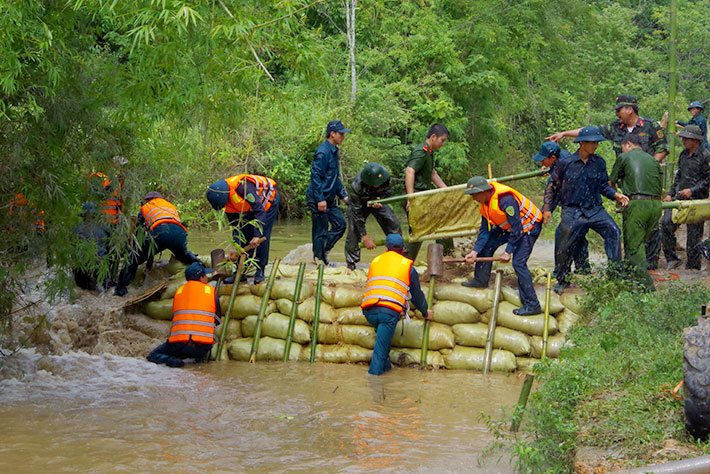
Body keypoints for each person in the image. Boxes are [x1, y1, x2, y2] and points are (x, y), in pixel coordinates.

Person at [547, 95, 668, 269]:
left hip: (647, 181)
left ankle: (650, 264)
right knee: (631, 220)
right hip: (626, 182)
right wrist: (564, 134)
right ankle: (629, 265)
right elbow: (589, 131)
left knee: (651, 224)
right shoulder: (615, 128)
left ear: (630, 109)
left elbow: (663, 148)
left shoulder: (651, 126)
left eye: (619, 110)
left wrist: (648, 166)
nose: (617, 113)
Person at [546, 126, 629, 293]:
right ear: (582, 143)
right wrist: (547, 208)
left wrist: (616, 196)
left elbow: (603, 186)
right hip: (572, 210)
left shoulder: (599, 163)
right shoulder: (565, 163)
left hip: (594, 209)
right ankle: (563, 278)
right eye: (592, 143)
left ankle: (614, 274)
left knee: (614, 232)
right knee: (564, 242)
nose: (595, 146)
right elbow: (552, 187)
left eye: (597, 143)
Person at [462, 177, 544, 315]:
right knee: (486, 245)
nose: (473, 198)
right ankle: (480, 279)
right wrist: (475, 252)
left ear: (484, 191)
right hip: (511, 228)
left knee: (518, 263)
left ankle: (532, 304)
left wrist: (508, 251)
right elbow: (485, 231)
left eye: (474, 195)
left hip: (529, 227)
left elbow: (518, 228)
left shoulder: (506, 200)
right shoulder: (485, 206)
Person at [361, 234, 431, 375]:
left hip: (369, 310)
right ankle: (374, 384)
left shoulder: (376, 261)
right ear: (403, 249)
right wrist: (425, 312)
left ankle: (387, 373)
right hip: (387, 313)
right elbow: (417, 297)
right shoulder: (407, 266)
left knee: (383, 345)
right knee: (380, 351)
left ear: (387, 247)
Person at [115, 192, 200, 296]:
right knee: (182, 256)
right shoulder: (170, 205)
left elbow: (139, 231)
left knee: (133, 259)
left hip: (161, 232)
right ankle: (199, 265)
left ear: (148, 200)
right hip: (179, 232)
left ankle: (121, 289)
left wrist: (134, 249)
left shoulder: (146, 206)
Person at [609, 134, 663, 289]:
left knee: (634, 246)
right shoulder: (653, 160)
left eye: (622, 147)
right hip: (656, 206)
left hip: (637, 204)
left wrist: (617, 198)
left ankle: (644, 287)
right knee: (640, 243)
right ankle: (631, 276)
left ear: (628, 144)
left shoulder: (624, 157)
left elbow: (611, 182)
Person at [206, 174, 279, 283]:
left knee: (262, 237)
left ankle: (260, 270)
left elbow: (259, 211)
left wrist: (256, 235)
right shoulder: (228, 202)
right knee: (245, 235)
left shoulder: (243, 188)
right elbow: (237, 226)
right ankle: (241, 271)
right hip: (249, 208)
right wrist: (235, 246)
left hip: (266, 205)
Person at [147, 262, 220, 368]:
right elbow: (217, 320)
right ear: (201, 277)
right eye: (205, 276)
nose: (207, 279)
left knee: (152, 356)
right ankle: (196, 361)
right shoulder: (210, 291)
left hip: (179, 346)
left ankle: (173, 361)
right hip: (201, 347)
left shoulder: (179, 291)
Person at [534, 141, 590, 274]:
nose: (541, 163)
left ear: (552, 158)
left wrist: (547, 209)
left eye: (543, 160)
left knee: (568, 234)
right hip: (569, 198)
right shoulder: (561, 156)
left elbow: (551, 189)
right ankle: (582, 268)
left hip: (576, 202)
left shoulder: (564, 163)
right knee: (577, 234)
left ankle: (563, 271)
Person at [662, 125, 710, 270]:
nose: (683, 140)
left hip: (697, 201)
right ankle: (671, 258)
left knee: (694, 237)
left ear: (695, 140)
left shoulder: (705, 156)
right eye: (683, 138)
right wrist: (670, 194)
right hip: (679, 198)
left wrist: (692, 190)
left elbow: (708, 180)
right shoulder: (683, 155)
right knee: (666, 224)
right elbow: (678, 177)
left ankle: (693, 268)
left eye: (686, 138)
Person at [404, 124, 453, 260]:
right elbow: (409, 171)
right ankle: (405, 263)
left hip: (425, 197)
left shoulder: (429, 152)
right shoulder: (421, 151)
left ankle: (447, 258)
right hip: (418, 198)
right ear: (433, 137)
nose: (442, 144)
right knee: (419, 231)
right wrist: (411, 198)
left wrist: (446, 190)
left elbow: (432, 174)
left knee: (440, 225)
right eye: (442, 140)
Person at [306, 120, 350, 265]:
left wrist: (343, 195)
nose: (343, 136)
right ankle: (319, 259)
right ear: (332, 134)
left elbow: (333, 177)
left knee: (340, 224)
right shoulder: (323, 152)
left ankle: (323, 251)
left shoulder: (334, 151)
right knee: (321, 230)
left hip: (329, 197)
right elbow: (316, 176)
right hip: (318, 197)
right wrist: (319, 199)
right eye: (341, 134)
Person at [344, 162, 401, 270]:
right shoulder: (356, 186)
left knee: (393, 223)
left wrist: (380, 200)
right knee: (353, 231)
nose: (377, 185)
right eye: (375, 184)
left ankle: (397, 254)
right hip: (360, 204)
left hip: (377, 201)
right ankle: (351, 265)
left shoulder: (385, 176)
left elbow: (388, 192)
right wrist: (364, 236)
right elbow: (357, 214)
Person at [73, 202, 110, 291]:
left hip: (82, 262)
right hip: (100, 261)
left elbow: (72, 243)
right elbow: (111, 239)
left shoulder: (76, 227)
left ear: (83, 215)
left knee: (81, 287)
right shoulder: (103, 225)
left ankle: (84, 288)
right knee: (103, 286)